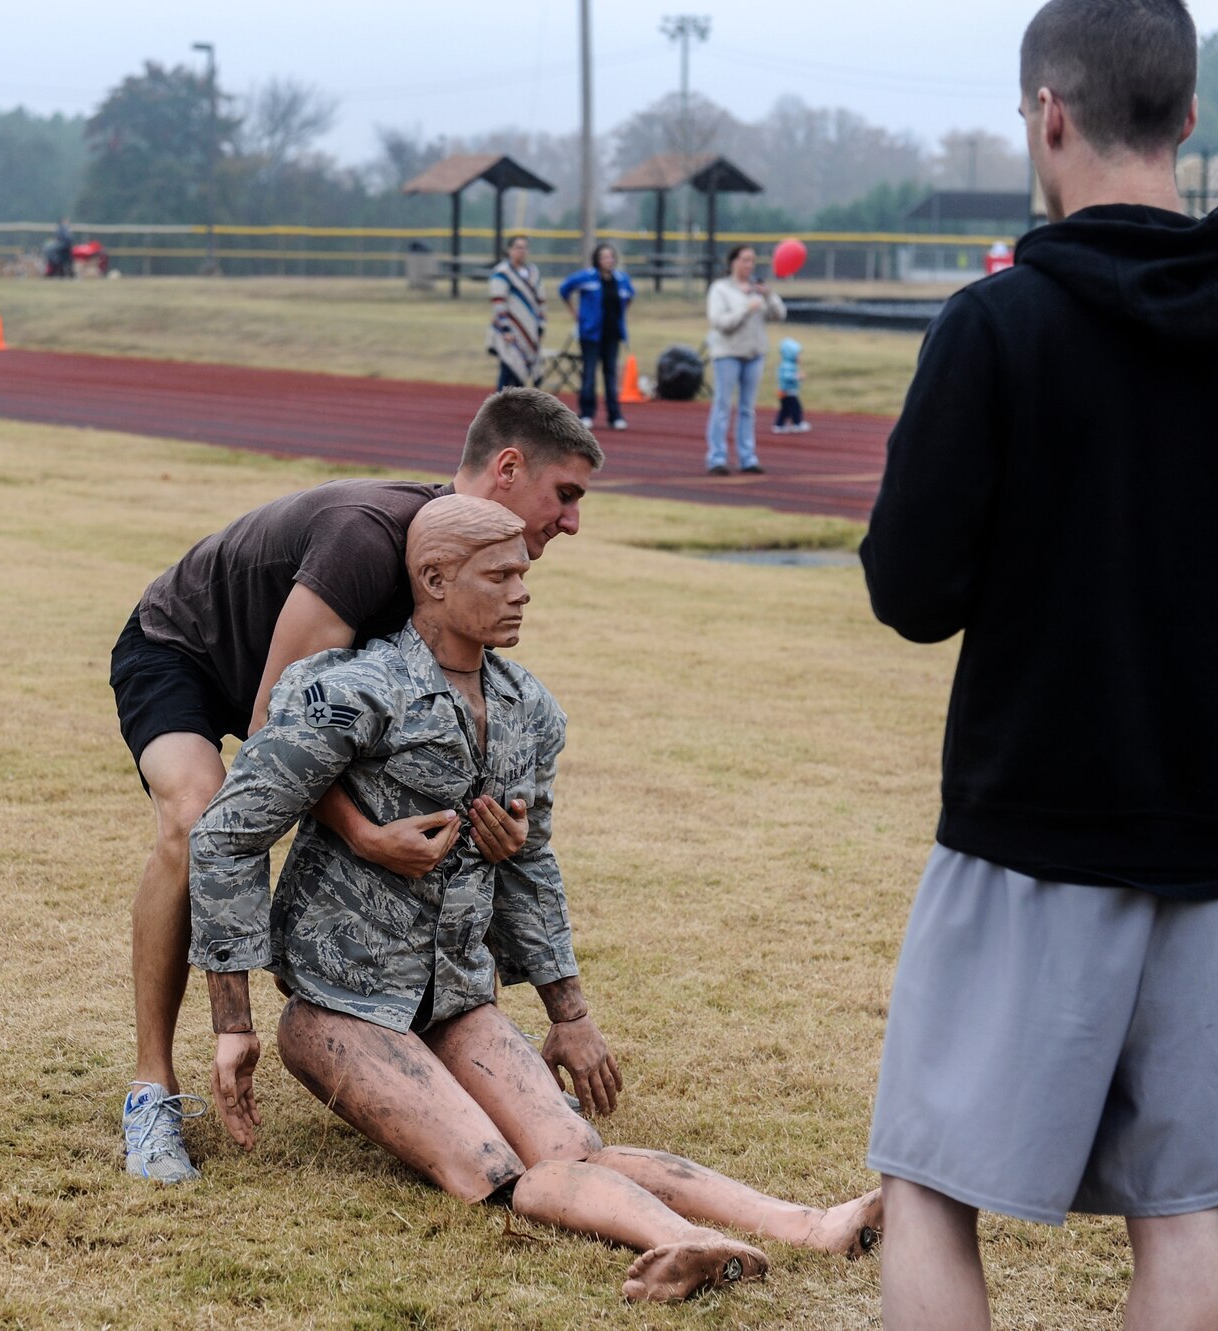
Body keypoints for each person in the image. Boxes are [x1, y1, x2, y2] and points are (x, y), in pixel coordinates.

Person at [858, 2, 1218, 1329]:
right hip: (1210, 846)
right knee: (1177, 1204)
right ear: (1193, 116)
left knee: (927, 1182)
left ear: (1048, 114)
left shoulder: (996, 328)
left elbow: (909, 593)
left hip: (1027, 828)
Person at [189, 494, 883, 1301]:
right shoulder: (352, 693)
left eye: (524, 571)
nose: (523, 590)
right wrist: (232, 1024)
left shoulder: (528, 710)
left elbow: (533, 867)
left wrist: (570, 1010)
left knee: (570, 1143)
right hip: (340, 1005)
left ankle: (813, 1223)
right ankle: (682, 1240)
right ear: (436, 578)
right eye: (501, 574)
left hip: (454, 994)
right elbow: (228, 831)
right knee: (493, 1169)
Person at [112, 388, 604, 1185]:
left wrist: (496, 828)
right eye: (566, 494)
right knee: (196, 811)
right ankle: (153, 1090)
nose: (573, 522)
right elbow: (276, 723)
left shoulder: (462, 563)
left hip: (293, 690)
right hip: (187, 652)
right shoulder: (368, 538)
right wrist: (362, 833)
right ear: (509, 468)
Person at [705, 244, 786, 475]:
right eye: (744, 260)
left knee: (747, 409)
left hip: (754, 354)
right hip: (727, 354)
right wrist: (745, 310)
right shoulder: (720, 289)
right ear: (733, 262)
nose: (748, 265)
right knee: (722, 406)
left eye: (751, 261)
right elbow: (720, 322)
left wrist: (768, 295)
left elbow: (780, 314)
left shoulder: (757, 290)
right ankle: (717, 458)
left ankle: (747, 458)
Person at [558, 242, 634, 430]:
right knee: (589, 374)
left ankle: (614, 415)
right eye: (604, 257)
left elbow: (630, 295)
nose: (608, 260)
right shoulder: (587, 277)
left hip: (612, 335)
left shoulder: (621, 279)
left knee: (610, 376)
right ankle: (586, 413)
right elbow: (564, 289)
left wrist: (620, 315)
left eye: (611, 257)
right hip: (591, 334)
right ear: (597, 260)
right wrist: (576, 313)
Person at [487, 234, 546, 389]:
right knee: (508, 371)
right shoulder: (502, 272)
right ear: (509, 250)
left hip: (530, 329)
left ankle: (517, 412)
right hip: (510, 330)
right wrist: (505, 328)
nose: (522, 251)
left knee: (522, 376)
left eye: (525, 247)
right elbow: (498, 302)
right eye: (518, 247)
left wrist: (541, 323)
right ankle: (499, 410)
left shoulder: (533, 272)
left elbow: (541, 300)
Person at [772, 337, 809, 435]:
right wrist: (797, 377)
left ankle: (779, 425)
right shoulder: (786, 365)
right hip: (788, 392)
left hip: (787, 391)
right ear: (791, 355)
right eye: (798, 354)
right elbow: (785, 376)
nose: (800, 357)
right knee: (795, 408)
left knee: (786, 409)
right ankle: (797, 423)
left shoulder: (789, 365)